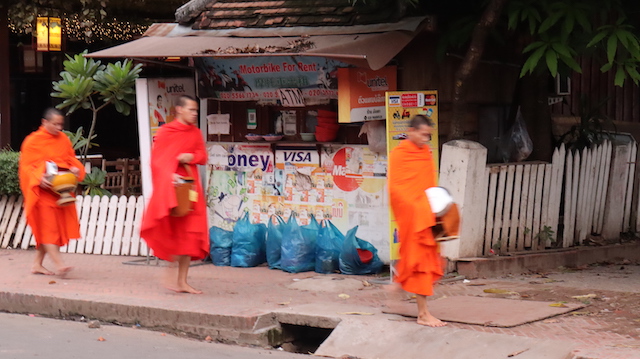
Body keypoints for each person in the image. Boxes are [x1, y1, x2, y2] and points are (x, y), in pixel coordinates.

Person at [140, 95, 209, 294]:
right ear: (179, 109)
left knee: (190, 234)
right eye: (191, 110)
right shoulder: (165, 132)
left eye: (196, 111)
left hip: (190, 190)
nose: (195, 114)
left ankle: (182, 281)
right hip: (171, 190)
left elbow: (203, 156)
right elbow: (157, 161)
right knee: (173, 232)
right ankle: (172, 273)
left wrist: (191, 156)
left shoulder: (195, 133)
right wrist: (172, 170)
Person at [388, 114, 445, 327]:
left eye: (428, 136)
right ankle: (423, 314)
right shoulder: (399, 154)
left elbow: (429, 184)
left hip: (427, 214)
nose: (425, 139)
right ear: (411, 131)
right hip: (414, 216)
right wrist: (415, 207)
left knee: (424, 261)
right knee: (420, 263)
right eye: (422, 135)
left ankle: (397, 286)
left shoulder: (426, 153)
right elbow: (396, 188)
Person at [19, 108, 86, 276]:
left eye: (61, 124)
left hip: (59, 190)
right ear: (44, 122)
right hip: (41, 192)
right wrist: (37, 178)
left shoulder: (63, 139)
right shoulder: (32, 141)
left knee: (50, 227)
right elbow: (26, 167)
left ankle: (36, 264)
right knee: (49, 228)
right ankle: (59, 264)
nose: (59, 128)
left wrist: (75, 169)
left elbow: (70, 159)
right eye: (55, 124)